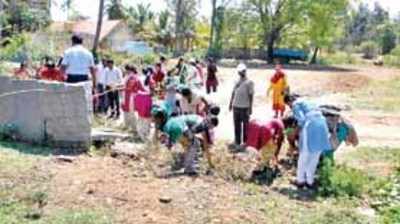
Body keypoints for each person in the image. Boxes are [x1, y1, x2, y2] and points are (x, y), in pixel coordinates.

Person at [284, 94, 331, 189]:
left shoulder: (296, 104)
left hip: (310, 125)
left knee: (304, 154)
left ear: (290, 101)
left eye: (288, 105)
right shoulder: (309, 101)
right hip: (322, 125)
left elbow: (301, 120)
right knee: (315, 155)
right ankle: (310, 181)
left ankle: (300, 180)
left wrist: (295, 132)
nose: (290, 107)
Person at [152, 107, 217, 176]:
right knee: (194, 144)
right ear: (210, 124)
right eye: (211, 127)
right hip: (178, 129)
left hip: (174, 125)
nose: (210, 128)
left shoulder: (198, 118)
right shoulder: (202, 125)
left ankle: (184, 161)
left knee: (189, 144)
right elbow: (206, 146)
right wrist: (210, 164)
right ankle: (189, 168)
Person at [229, 63, 254, 149]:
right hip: (236, 106)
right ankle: (237, 141)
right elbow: (233, 92)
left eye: (242, 71)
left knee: (245, 126)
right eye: (239, 72)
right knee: (236, 125)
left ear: (245, 71)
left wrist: (250, 108)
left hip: (245, 107)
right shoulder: (236, 81)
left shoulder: (249, 82)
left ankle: (245, 142)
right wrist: (230, 103)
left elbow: (251, 95)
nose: (241, 73)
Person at [121, 65, 146, 130]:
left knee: (131, 112)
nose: (125, 71)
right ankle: (127, 125)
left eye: (126, 70)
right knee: (126, 111)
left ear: (130, 70)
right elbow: (124, 85)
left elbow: (129, 88)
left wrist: (119, 88)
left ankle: (134, 127)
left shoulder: (133, 77)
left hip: (131, 97)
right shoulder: (128, 77)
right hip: (126, 96)